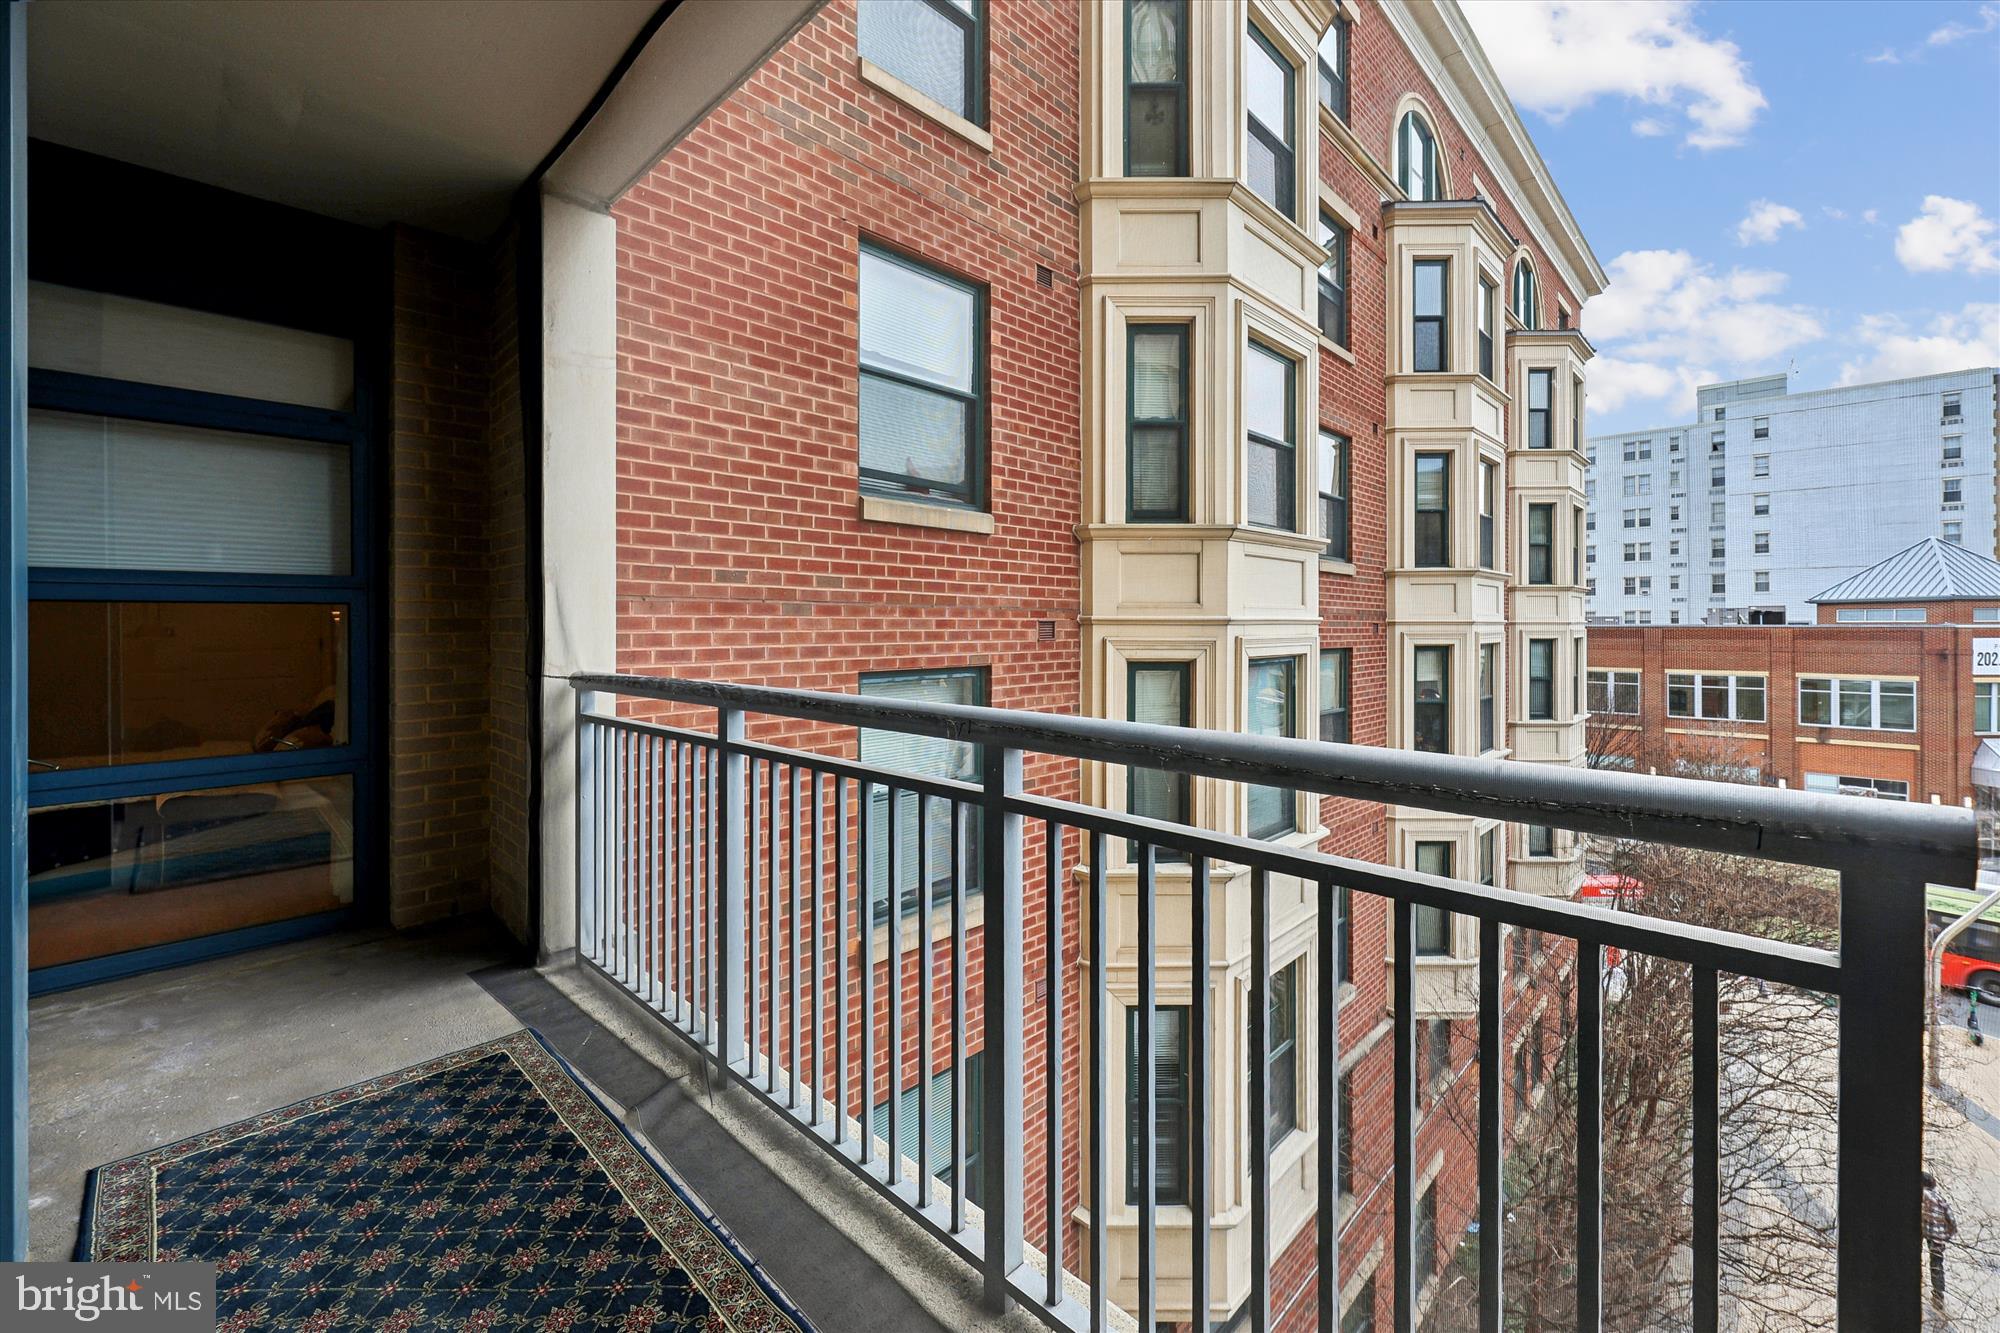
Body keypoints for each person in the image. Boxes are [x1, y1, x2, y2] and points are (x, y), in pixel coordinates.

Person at [1922, 1170, 1957, 1309]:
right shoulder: (1940, 1198)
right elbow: (1952, 1222)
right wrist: (1946, 1236)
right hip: (1938, 1237)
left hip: (1922, 1231)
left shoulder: (1921, 1194)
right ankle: (1938, 1295)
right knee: (1937, 1264)